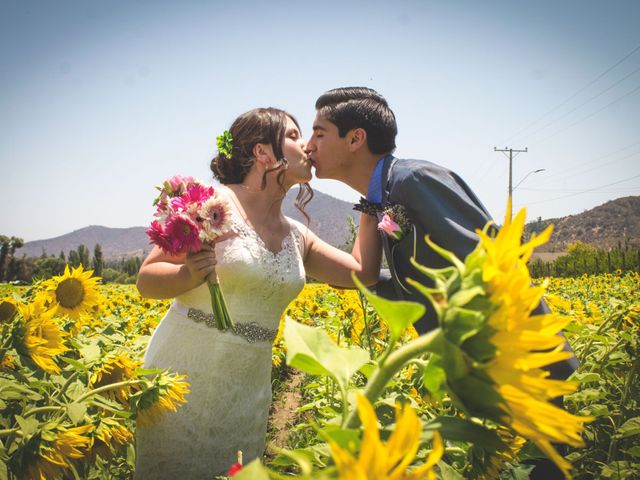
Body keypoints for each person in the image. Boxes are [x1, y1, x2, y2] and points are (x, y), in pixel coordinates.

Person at [305, 87, 578, 479]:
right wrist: (352, 280)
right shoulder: (383, 196)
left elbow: (487, 263)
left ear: (354, 139)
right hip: (487, 377)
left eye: (319, 132)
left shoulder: (415, 180)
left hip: (521, 368)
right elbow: (415, 285)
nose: (309, 145)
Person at [134, 107, 381, 479]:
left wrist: (370, 198)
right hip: (183, 377)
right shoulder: (212, 208)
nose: (309, 146)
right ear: (262, 152)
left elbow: (361, 273)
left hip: (246, 390)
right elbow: (147, 278)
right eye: (296, 136)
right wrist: (187, 275)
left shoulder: (297, 235)